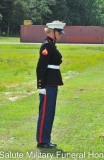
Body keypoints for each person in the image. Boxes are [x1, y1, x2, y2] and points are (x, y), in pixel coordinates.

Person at [36, 20, 66, 148]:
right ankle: (42, 141)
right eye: (59, 32)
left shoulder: (51, 44)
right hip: (47, 83)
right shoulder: (47, 46)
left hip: (52, 82)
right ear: (53, 32)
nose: (61, 34)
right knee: (46, 113)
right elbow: (41, 67)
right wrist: (41, 86)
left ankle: (45, 139)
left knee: (50, 112)